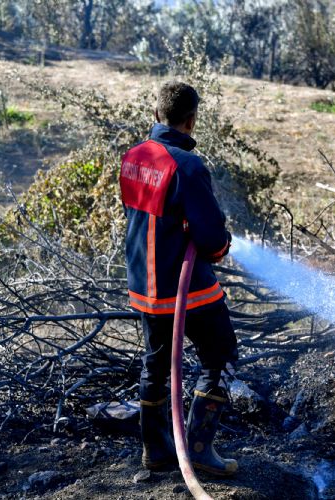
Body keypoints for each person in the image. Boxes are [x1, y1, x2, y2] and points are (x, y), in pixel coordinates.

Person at [119, 81, 238, 476]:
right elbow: (210, 238)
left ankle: (156, 451)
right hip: (184, 288)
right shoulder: (187, 165)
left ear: (156, 115)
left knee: (155, 365)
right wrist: (222, 247)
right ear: (191, 120)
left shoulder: (132, 157)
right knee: (220, 356)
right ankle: (200, 450)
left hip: (144, 286)